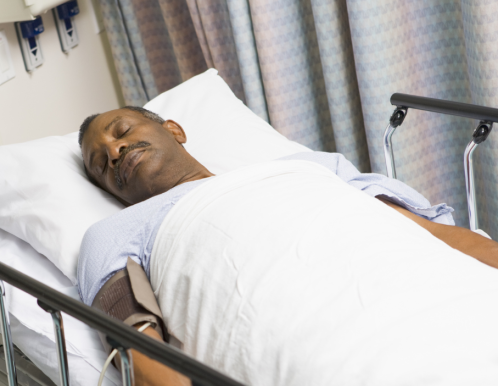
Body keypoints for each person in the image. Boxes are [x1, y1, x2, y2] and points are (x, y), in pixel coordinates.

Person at [77, 106, 498, 386]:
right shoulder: (115, 232)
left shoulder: (307, 167)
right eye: (100, 163)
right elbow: (138, 347)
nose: (114, 150)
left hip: (430, 288)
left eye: (122, 131)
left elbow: (428, 233)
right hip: (322, 348)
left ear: (174, 129)